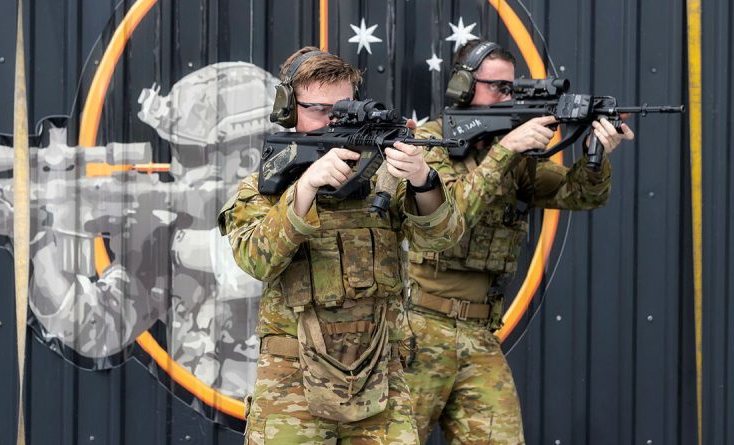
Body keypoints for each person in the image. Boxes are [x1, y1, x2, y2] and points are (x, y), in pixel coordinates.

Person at [217, 46, 466, 444]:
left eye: (344, 111)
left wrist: (423, 180)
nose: (333, 123)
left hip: (380, 381)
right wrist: (306, 188)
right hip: (291, 385)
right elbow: (254, 259)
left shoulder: (387, 176)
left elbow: (444, 238)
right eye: (320, 110)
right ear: (288, 109)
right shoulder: (264, 185)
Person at [404, 40, 635, 444]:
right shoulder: (429, 145)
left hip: (479, 333)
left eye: (512, 89)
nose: (507, 98)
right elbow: (449, 215)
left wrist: (596, 153)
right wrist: (507, 149)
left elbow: (579, 194)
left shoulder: (514, 156)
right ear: (462, 86)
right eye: (497, 87)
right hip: (417, 329)